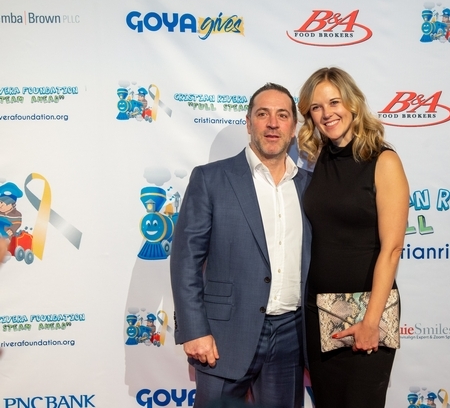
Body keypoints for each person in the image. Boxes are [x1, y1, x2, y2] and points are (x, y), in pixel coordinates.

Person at [170, 83, 312, 408]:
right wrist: (193, 330)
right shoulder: (211, 179)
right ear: (248, 123)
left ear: (293, 128)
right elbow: (186, 261)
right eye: (263, 114)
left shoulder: (309, 186)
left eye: (282, 115)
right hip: (223, 336)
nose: (272, 123)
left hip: (291, 336)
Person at [297, 67, 409, 408]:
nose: (327, 113)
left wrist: (370, 322)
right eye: (317, 107)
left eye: (334, 102)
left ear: (353, 104)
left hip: (367, 313)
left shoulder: (383, 161)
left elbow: (392, 249)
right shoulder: (317, 160)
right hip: (320, 314)